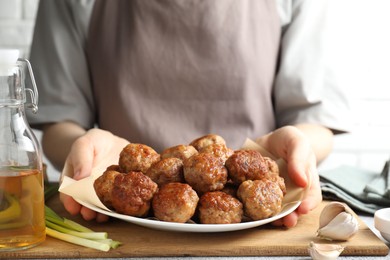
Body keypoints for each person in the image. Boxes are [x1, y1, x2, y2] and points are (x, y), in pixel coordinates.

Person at [28, 0, 351, 227]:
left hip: (255, 223)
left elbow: (315, 118)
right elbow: (60, 121)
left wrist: (294, 151)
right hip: (124, 222)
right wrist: (85, 149)